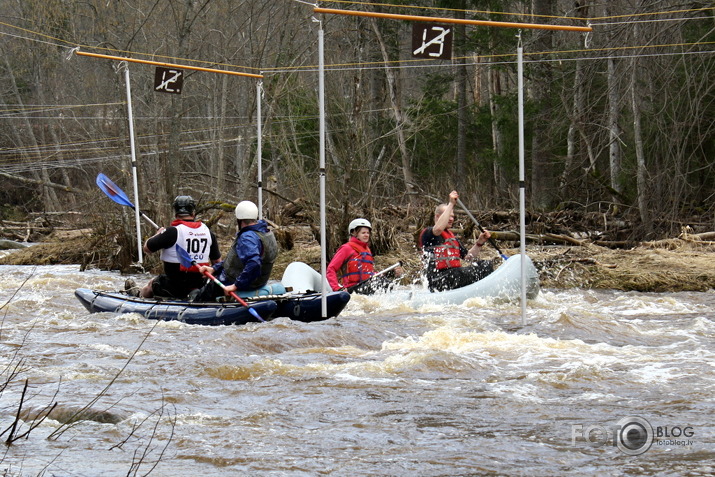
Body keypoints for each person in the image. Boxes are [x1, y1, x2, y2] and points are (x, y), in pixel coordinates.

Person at [125, 195, 221, 299]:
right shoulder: (208, 232)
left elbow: (147, 248)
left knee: (151, 284)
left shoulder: (172, 232)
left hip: (173, 286)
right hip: (199, 285)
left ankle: (138, 296)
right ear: (193, 212)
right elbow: (217, 263)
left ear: (176, 213)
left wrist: (158, 234)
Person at [189, 200, 278, 302]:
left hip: (234, 283)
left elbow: (254, 263)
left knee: (199, 296)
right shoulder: (266, 232)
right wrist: (214, 269)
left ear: (239, 220)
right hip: (258, 282)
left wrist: (235, 286)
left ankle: (195, 299)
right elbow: (235, 260)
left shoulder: (247, 237)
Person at [418, 190, 494, 292]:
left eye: (452, 216)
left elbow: (468, 257)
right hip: (437, 279)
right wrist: (451, 204)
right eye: (448, 215)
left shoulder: (452, 238)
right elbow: (438, 229)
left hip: (452, 276)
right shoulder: (429, 233)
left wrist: (479, 242)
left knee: (486, 265)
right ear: (437, 216)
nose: (451, 219)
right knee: (458, 273)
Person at [326, 218, 402, 295]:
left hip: (366, 286)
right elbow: (331, 269)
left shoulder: (367, 250)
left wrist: (391, 273)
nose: (366, 235)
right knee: (381, 283)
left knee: (388, 284)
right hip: (352, 289)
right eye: (363, 233)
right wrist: (337, 288)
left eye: (368, 233)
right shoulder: (346, 248)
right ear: (354, 233)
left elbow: (370, 274)